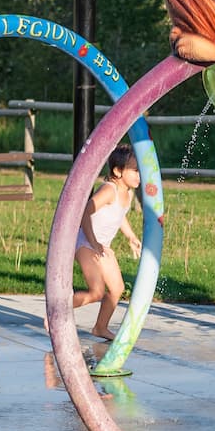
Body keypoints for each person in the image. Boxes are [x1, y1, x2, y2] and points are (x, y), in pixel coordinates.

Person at [69, 144, 143, 341]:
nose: (139, 175)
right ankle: (56, 315)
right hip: (85, 242)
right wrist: (94, 243)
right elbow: (85, 211)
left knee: (117, 289)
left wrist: (131, 237)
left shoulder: (127, 193)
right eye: (135, 171)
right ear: (118, 171)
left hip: (101, 246)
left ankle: (100, 328)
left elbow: (120, 215)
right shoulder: (109, 190)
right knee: (96, 291)